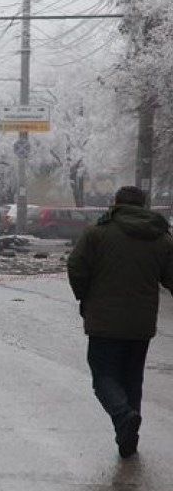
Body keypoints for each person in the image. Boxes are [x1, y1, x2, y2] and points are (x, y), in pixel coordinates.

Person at [67, 185, 173, 458]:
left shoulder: (98, 232)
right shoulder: (161, 238)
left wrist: (84, 295)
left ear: (115, 203)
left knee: (103, 376)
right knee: (132, 380)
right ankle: (128, 439)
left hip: (104, 321)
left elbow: (76, 266)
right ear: (145, 205)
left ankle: (124, 416)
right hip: (141, 325)